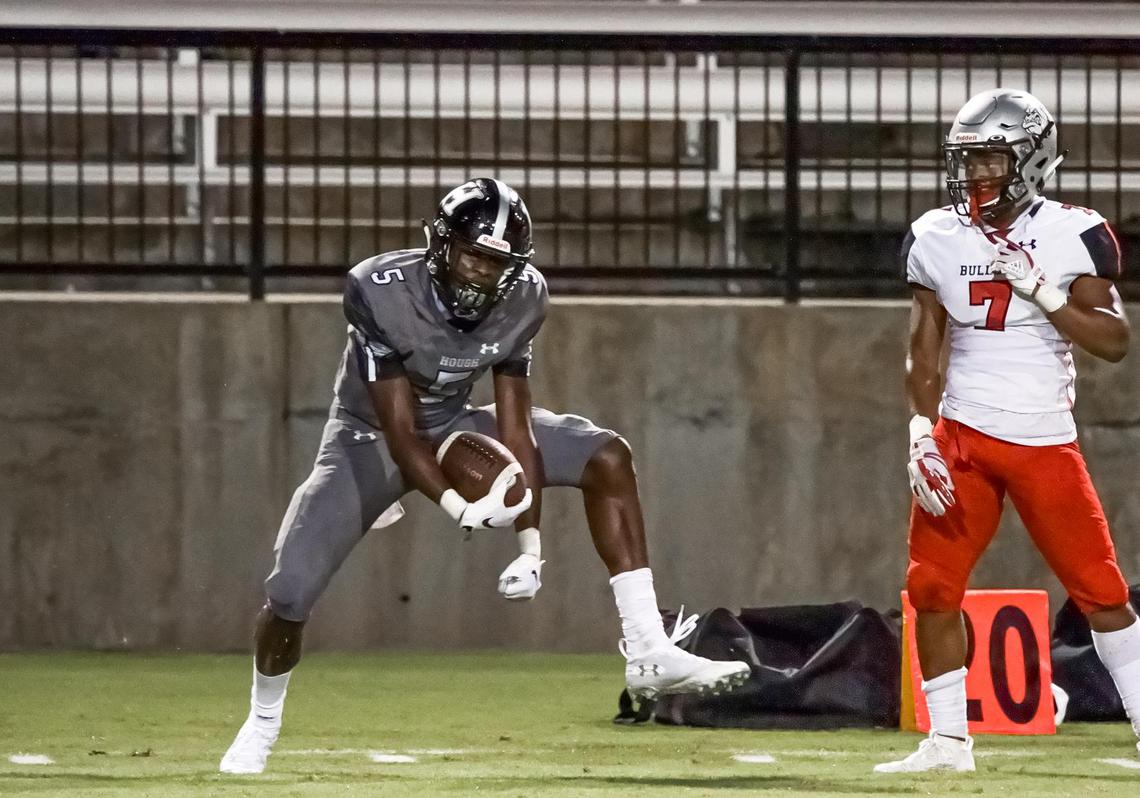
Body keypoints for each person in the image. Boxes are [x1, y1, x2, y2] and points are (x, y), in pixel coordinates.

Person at [219, 177, 750, 774]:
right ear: (441, 245)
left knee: (607, 456)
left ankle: (649, 646)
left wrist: (530, 545)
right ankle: (261, 724)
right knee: (289, 592)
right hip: (369, 437)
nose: (480, 272)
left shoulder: (524, 295)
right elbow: (400, 431)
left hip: (457, 423)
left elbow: (517, 426)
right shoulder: (379, 288)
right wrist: (456, 506)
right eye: (473, 253)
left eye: (497, 262)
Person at [875, 88, 1138, 774]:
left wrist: (1044, 291)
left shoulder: (1074, 232)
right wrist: (919, 430)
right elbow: (923, 344)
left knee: (1102, 593)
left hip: (1043, 438)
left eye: (990, 156)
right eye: (966, 160)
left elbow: (1114, 342)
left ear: (1031, 158)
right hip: (963, 437)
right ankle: (949, 742)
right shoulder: (937, 233)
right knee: (930, 588)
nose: (975, 174)